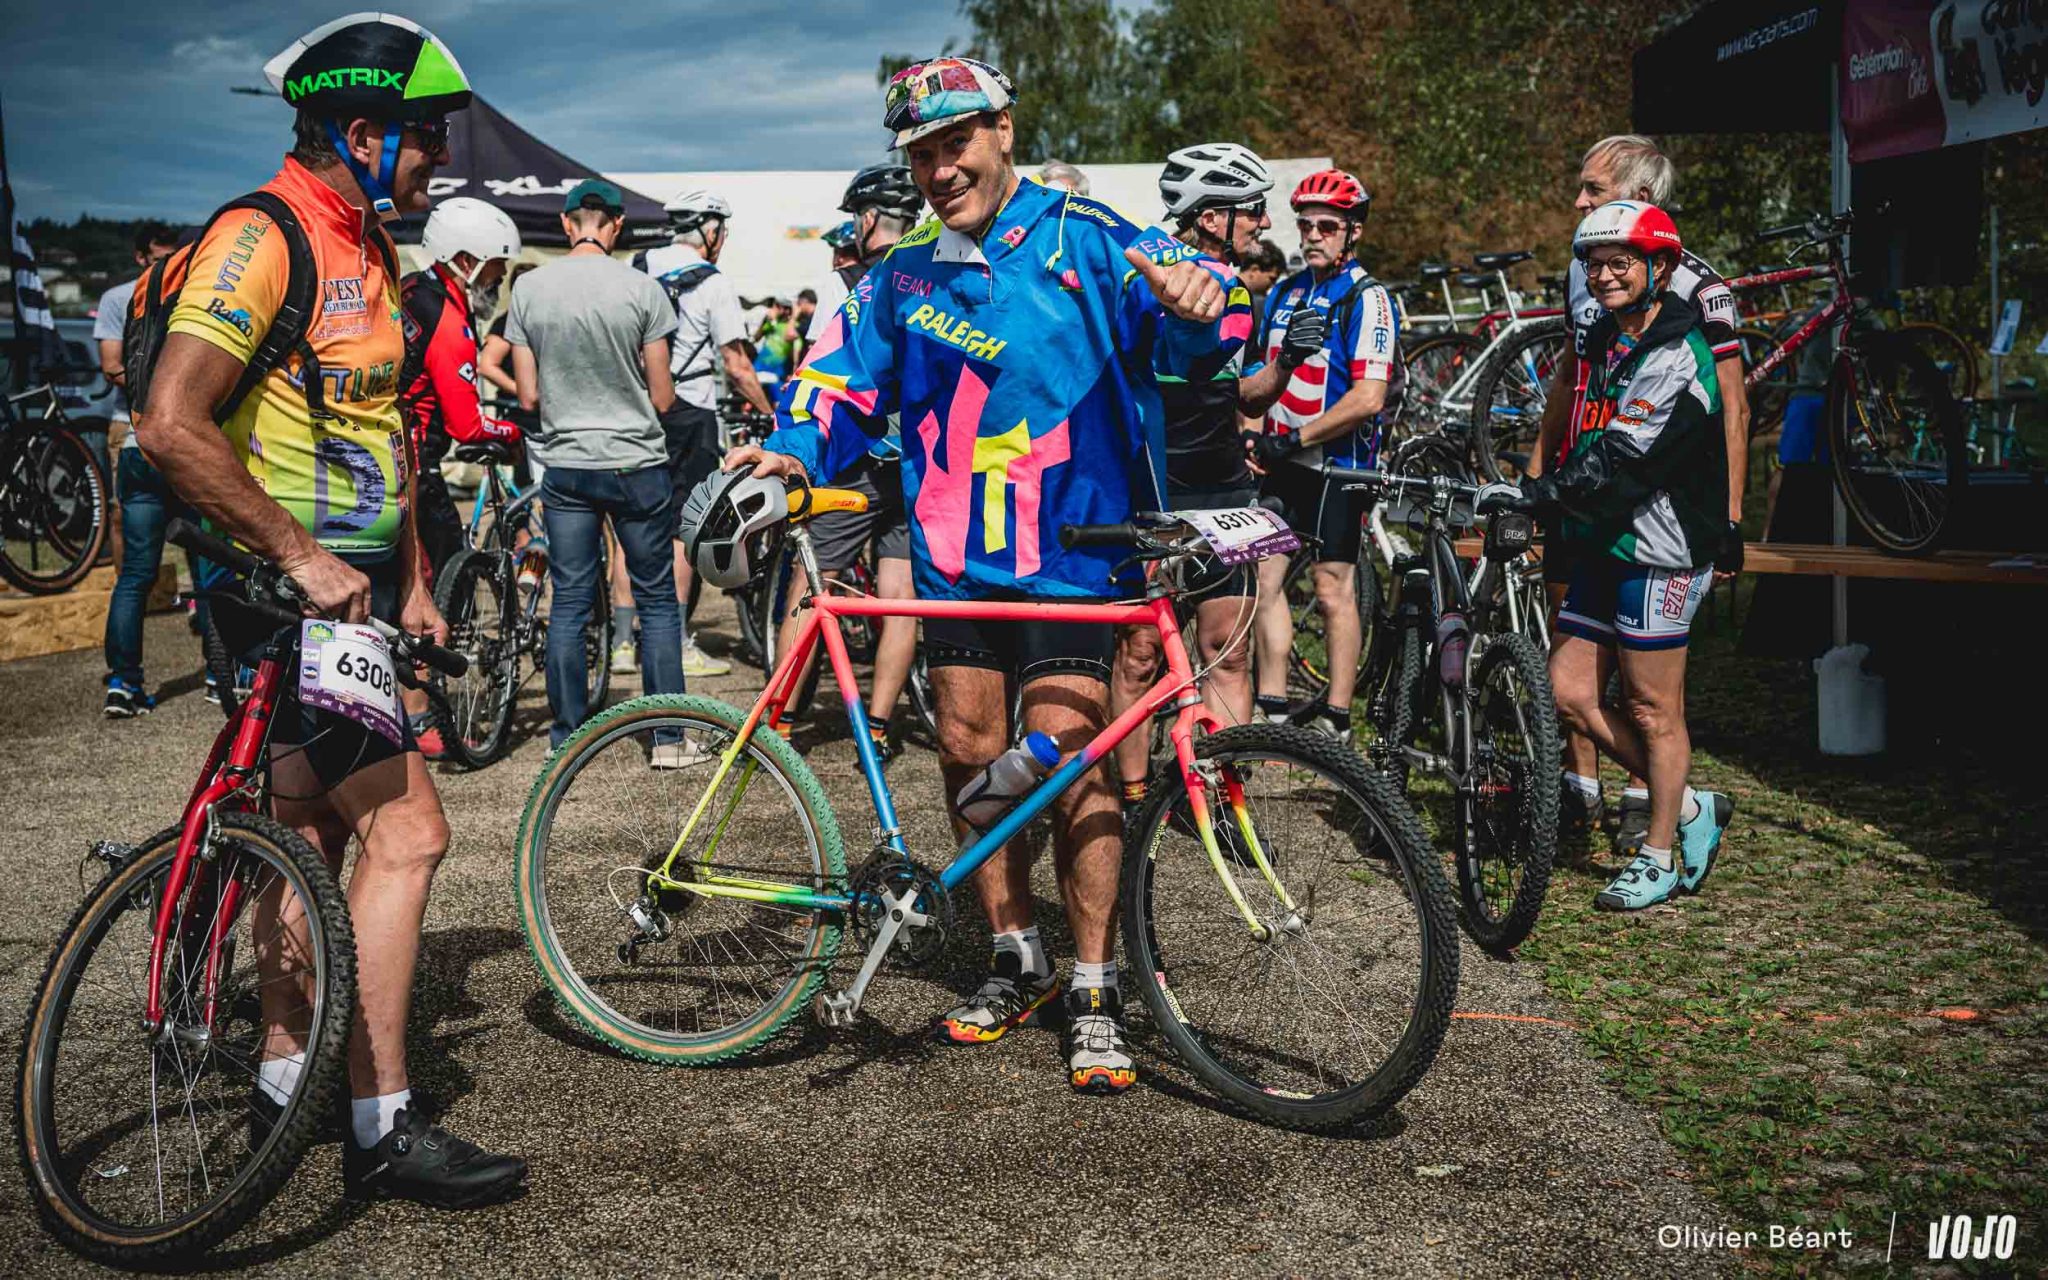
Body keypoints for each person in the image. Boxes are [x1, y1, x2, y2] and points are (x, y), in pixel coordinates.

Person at [726, 55, 1243, 1095]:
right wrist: (792, 448)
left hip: (1076, 555)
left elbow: (1200, 331)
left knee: (1072, 760)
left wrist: (1198, 303)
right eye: (920, 153)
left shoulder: (1085, 232)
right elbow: (838, 384)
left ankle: (1095, 981)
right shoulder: (902, 273)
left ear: (1003, 129)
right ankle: (1017, 954)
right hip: (955, 559)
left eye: (955, 142)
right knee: (967, 749)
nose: (939, 168)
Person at [134, 14, 525, 1205]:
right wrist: (300, 555)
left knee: (307, 827)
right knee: (408, 832)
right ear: (361, 133)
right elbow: (169, 422)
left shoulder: (373, 251)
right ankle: (379, 1123)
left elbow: (379, 428)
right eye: (424, 137)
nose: (437, 159)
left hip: (350, 589)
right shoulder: (263, 237)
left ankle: (282, 1072)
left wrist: (412, 574)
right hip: (281, 589)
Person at [1511, 201, 1736, 911]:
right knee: (1568, 691)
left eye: (1620, 264)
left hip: (1663, 550)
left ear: (1659, 268)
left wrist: (1537, 495)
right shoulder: (1609, 337)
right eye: (1594, 264)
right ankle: (1691, 804)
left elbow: (1620, 461)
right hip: (1606, 542)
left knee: (1651, 708)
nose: (1603, 276)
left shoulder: (1677, 352)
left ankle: (1660, 853)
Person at [1109, 142, 1271, 819]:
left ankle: (1224, 801)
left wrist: (1289, 361)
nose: (1264, 223)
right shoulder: (1148, 279)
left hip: (1224, 484)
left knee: (1228, 651)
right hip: (1154, 486)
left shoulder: (1239, 288)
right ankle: (1134, 799)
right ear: (1210, 217)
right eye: (1252, 210)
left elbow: (1244, 390)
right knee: (1140, 653)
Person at [507, 179, 689, 753]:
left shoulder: (529, 289)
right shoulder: (643, 289)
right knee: (656, 600)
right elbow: (662, 397)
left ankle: (566, 737)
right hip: (636, 461)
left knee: (570, 600)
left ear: (567, 224)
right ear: (616, 225)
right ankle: (667, 738)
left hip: (566, 462)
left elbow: (528, 395)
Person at [770, 161, 925, 760]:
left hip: (854, 458)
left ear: (867, 219)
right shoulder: (933, 272)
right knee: (899, 596)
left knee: (811, 590)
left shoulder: (848, 283)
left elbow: (822, 375)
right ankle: (878, 728)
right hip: (915, 461)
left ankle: (779, 723)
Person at [1240, 168, 1401, 743]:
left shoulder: (1367, 297)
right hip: (1280, 460)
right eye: (1305, 225)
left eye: (1327, 227)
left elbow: (1369, 397)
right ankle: (1273, 708)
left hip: (1339, 465)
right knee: (1264, 581)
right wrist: (1253, 435)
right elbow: (1260, 375)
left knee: (1333, 588)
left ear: (1354, 231)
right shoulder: (1285, 292)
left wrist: (1295, 439)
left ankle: (1337, 717)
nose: (1312, 236)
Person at [626, 187, 775, 678]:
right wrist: (770, 413)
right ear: (709, 230)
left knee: (632, 523)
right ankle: (674, 640)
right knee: (683, 530)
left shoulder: (639, 265)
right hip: (690, 411)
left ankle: (624, 641)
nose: (723, 239)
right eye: (722, 231)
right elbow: (736, 364)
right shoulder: (713, 282)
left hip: (638, 408)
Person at [395, 197, 524, 757]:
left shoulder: (411, 289)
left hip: (382, 456)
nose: (498, 280)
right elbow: (467, 424)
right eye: (496, 267)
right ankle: (421, 717)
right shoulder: (448, 318)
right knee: (434, 587)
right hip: (413, 463)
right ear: (466, 260)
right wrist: (512, 432)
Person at [97, 222, 187, 717]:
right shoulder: (123, 298)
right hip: (159, 438)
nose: (164, 267)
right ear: (140, 258)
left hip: (142, 439)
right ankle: (128, 682)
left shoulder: (182, 295)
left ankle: (125, 683)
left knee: (138, 571)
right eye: (156, 259)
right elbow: (110, 365)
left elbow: (119, 367)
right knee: (197, 564)